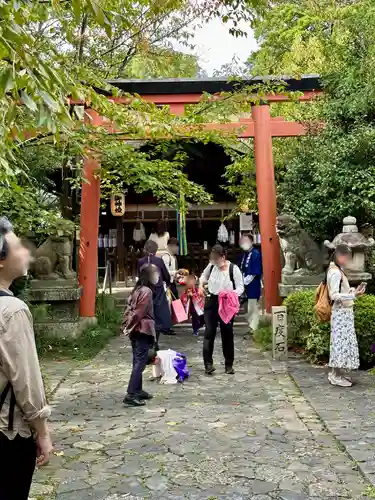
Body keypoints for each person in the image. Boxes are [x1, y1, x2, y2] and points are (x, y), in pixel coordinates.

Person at [0, 217, 52, 500]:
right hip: (7, 431)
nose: (26, 253)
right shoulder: (12, 310)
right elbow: (26, 380)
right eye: (18, 246)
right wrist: (42, 431)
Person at [199, 244, 244, 375]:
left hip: (226, 303)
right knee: (209, 332)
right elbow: (203, 276)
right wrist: (201, 286)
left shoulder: (233, 269)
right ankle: (208, 364)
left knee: (227, 333)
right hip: (212, 301)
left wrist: (230, 294)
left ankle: (229, 365)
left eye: (217, 258)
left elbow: (241, 288)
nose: (215, 261)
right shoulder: (211, 266)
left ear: (223, 257)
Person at [327, 244, 364, 387]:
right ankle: (336, 375)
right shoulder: (336, 272)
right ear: (340, 256)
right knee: (340, 344)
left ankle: (336, 374)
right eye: (348, 257)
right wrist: (353, 295)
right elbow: (334, 295)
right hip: (341, 312)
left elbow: (339, 291)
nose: (348, 260)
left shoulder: (336, 270)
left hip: (342, 312)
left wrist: (351, 292)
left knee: (340, 344)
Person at [123, 264, 159, 407]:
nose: (157, 276)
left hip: (137, 330)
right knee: (140, 362)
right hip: (142, 329)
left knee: (138, 360)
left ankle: (138, 390)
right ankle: (131, 394)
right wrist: (129, 326)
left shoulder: (138, 289)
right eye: (155, 273)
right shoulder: (146, 291)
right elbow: (139, 312)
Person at [137, 240, 172, 341]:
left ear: (144, 250)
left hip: (144, 290)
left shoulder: (140, 262)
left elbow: (139, 276)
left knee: (146, 315)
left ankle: (147, 338)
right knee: (159, 316)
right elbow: (166, 275)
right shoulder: (159, 261)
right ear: (156, 251)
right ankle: (155, 340)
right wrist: (168, 282)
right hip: (158, 290)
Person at [239, 234, 262, 334]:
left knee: (253, 306)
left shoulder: (255, 254)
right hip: (246, 284)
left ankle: (254, 328)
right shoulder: (246, 254)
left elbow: (254, 271)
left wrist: (244, 282)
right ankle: (251, 326)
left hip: (253, 283)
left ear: (252, 242)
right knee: (248, 307)